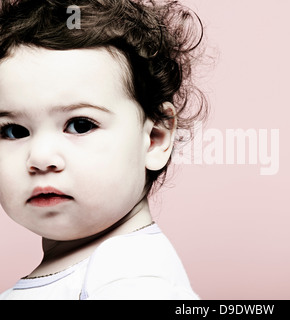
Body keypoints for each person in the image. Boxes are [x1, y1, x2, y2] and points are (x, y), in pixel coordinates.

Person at [0, 0, 208, 300]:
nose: (41, 158)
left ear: (155, 138)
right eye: (13, 131)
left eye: (80, 125)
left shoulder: (130, 279)